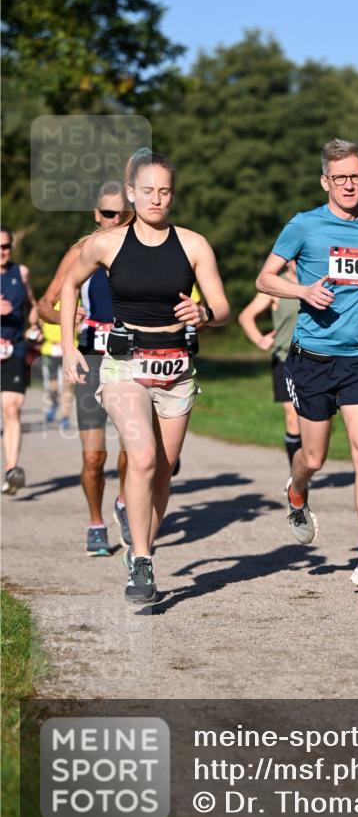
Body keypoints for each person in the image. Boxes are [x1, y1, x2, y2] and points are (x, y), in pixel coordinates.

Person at [61, 149, 230, 603]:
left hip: (176, 369)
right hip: (125, 365)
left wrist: (203, 311)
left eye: (165, 191)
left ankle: (142, 544)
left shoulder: (194, 245)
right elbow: (69, 283)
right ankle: (142, 562)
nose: (156, 199)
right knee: (143, 457)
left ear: (172, 194)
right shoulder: (107, 243)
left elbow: (223, 308)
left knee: (163, 472)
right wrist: (66, 348)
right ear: (131, 193)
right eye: (148, 191)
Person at [256, 138, 358, 596]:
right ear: (325, 181)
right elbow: (264, 278)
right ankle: (296, 491)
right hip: (312, 360)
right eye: (339, 178)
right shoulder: (304, 226)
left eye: (355, 177)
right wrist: (302, 292)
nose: (347, 185)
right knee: (315, 458)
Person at [38, 182, 131, 556]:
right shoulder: (80, 251)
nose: (115, 220)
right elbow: (45, 304)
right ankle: (96, 522)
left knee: (135, 448)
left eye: (122, 213)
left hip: (131, 358)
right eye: (108, 213)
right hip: (91, 358)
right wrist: (66, 314)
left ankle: (126, 500)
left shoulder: (141, 248)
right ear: (96, 215)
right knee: (94, 456)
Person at [238, 260, 301, 468]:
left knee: (315, 421)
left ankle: (307, 465)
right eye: (294, 256)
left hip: (315, 359)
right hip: (284, 358)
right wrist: (259, 339)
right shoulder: (276, 286)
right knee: (292, 416)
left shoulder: (318, 282)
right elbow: (246, 316)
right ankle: (296, 476)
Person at [1, 228, 39, 495]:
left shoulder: (21, 273)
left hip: (13, 349)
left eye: (6, 246)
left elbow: (33, 304)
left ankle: (12, 471)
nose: (2, 252)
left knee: (12, 409)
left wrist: (33, 326)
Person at [39, 313, 74, 430]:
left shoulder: (76, 299)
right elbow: (38, 322)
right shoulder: (47, 301)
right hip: (50, 349)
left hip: (69, 349)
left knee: (67, 386)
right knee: (51, 384)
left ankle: (65, 417)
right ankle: (54, 403)